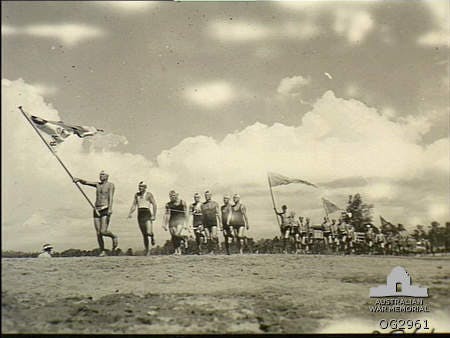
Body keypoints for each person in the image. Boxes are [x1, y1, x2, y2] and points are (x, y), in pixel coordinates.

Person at [73, 170, 118, 256]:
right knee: (98, 233)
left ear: (107, 176)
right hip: (96, 208)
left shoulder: (110, 185)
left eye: (103, 174)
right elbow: (86, 182)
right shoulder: (97, 184)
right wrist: (78, 179)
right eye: (100, 174)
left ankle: (113, 236)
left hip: (105, 208)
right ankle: (102, 251)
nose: (101, 176)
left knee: (103, 231)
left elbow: (111, 197)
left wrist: (110, 209)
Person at [127, 181, 157, 256]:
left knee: (149, 232)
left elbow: (154, 204)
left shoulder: (149, 194)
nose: (140, 188)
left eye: (142, 186)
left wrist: (154, 215)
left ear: (145, 187)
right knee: (144, 234)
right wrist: (130, 213)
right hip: (140, 214)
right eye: (139, 186)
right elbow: (134, 205)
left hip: (147, 213)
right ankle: (147, 250)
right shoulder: (136, 195)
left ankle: (152, 236)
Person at [164, 190, 188, 255]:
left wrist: (186, 224)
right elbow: (167, 214)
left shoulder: (182, 202)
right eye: (171, 196)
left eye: (173, 195)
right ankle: (177, 251)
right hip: (172, 221)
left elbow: (186, 213)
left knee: (177, 234)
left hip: (180, 220)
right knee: (174, 236)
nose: (172, 197)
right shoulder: (168, 204)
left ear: (176, 195)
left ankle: (184, 238)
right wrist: (165, 224)